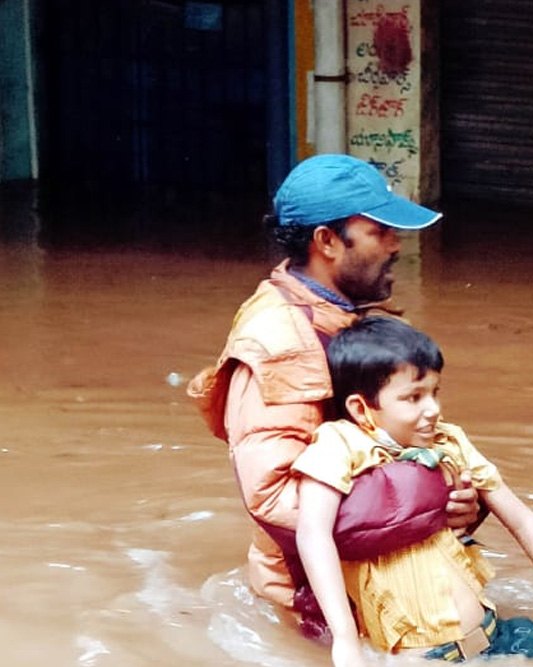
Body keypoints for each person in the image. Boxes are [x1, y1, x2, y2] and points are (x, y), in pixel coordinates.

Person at [188, 154, 481, 611]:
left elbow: (394, 435)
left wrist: (462, 499)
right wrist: (432, 496)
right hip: (313, 601)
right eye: (379, 231)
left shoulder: (337, 316)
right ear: (327, 241)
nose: (395, 245)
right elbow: (273, 496)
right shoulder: (280, 339)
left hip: (374, 580)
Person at [293, 316, 533, 667]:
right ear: (361, 409)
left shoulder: (449, 442)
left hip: (499, 638)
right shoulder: (339, 445)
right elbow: (313, 533)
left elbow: (522, 520)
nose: (433, 409)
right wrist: (345, 640)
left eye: (435, 392)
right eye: (413, 397)